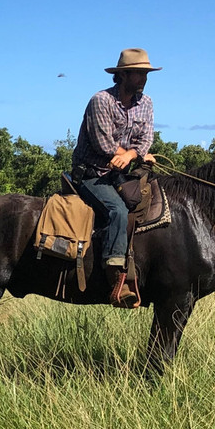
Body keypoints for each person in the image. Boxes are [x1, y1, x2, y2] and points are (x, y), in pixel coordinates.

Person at [71, 48, 160, 307]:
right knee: (117, 211)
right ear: (123, 75)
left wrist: (131, 155)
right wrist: (132, 155)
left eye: (145, 73)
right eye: (138, 73)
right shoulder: (101, 101)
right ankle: (114, 274)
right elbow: (103, 144)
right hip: (92, 173)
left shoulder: (146, 103)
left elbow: (146, 139)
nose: (144, 78)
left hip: (121, 172)